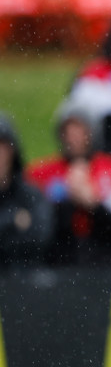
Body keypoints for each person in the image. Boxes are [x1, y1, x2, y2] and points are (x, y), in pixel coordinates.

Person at [26, 103, 111, 266]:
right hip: (58, 264)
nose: (73, 139)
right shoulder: (42, 174)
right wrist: (69, 200)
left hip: (106, 262)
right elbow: (37, 226)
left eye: (80, 132)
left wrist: (94, 205)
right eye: (68, 132)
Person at [0, 112, 54, 268]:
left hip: (25, 282)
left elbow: (42, 236)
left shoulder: (30, 194)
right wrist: (13, 219)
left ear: (12, 152)